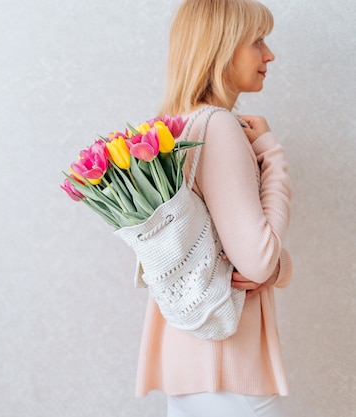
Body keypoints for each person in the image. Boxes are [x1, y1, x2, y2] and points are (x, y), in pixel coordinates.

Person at [135, 0, 293, 416]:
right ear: (222, 47)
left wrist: (275, 266)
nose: (269, 54)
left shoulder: (170, 129)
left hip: (192, 368)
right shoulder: (217, 127)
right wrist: (272, 155)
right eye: (257, 41)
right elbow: (257, 262)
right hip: (228, 373)